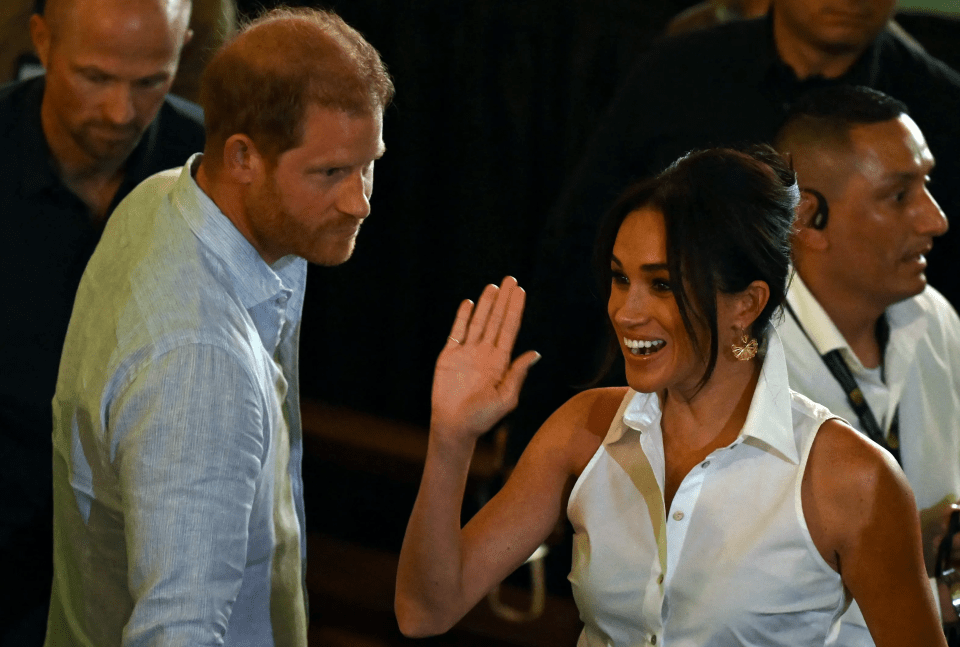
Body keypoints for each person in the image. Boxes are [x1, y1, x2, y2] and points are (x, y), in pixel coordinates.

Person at [395, 147, 945, 646]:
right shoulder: (583, 430)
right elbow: (425, 611)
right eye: (619, 277)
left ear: (747, 304)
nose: (627, 311)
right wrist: (451, 438)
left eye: (661, 284)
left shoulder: (851, 479)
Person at [46, 7, 392, 645]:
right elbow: (178, 631)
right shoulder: (201, 366)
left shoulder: (163, 196)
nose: (360, 201)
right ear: (243, 158)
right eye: (331, 174)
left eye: (367, 163)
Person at [512, 0, 960, 464]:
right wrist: (532, 427)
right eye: (899, 195)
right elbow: (577, 249)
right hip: (650, 424)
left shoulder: (941, 107)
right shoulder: (676, 75)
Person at [0, 0, 202, 643]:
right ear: (42, 40)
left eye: (151, 81)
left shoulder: (216, 171)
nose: (122, 114)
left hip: (149, 556)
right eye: (95, 77)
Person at [774, 85, 960, 645]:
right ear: (809, 218)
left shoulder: (932, 317)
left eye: (926, 184)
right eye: (899, 196)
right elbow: (756, 604)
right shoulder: (746, 361)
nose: (936, 219)